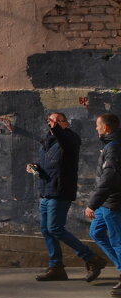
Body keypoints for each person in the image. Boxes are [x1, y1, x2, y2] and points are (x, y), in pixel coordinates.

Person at [27, 112, 108, 281]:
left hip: (60, 191)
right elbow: (48, 166)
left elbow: (64, 141)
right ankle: (56, 267)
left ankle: (92, 258)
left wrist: (56, 128)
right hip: (46, 191)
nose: (53, 123)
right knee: (46, 230)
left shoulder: (71, 139)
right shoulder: (46, 142)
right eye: (50, 120)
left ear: (66, 124)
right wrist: (35, 168)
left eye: (57, 121)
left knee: (55, 228)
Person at [85, 112, 121, 297]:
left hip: (112, 202)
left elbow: (109, 179)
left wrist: (92, 204)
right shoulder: (110, 145)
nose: (96, 128)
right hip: (106, 202)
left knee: (117, 240)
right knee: (96, 232)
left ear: (105, 128)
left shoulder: (114, 147)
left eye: (98, 125)